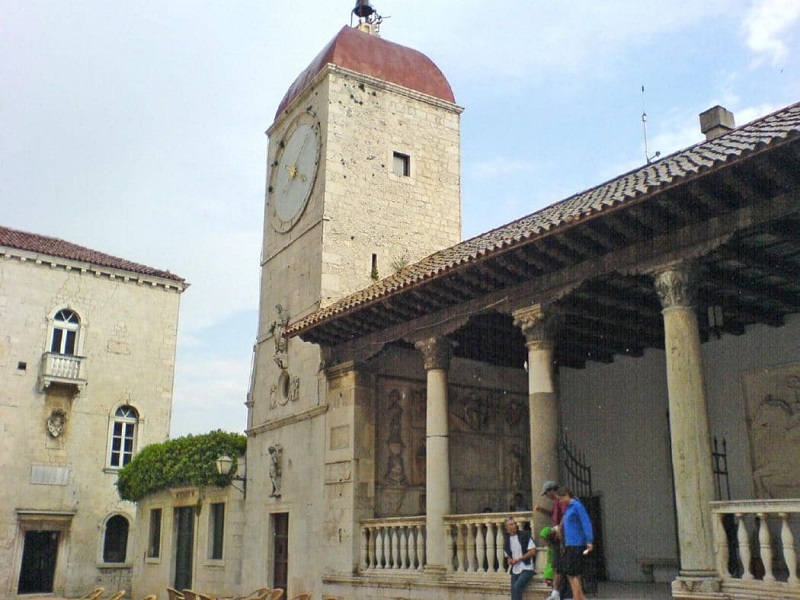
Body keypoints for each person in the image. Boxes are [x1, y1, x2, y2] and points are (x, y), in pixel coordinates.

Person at [557, 487, 594, 600]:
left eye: (561, 498)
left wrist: (589, 540)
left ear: (566, 495)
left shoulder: (577, 506)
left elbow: (586, 522)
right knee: (569, 572)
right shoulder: (569, 508)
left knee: (574, 573)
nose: (560, 501)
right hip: (570, 543)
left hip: (577, 543)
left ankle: (576, 597)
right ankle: (580, 596)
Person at [534, 481, 566, 600]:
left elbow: (565, 515)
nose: (547, 496)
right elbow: (553, 515)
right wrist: (542, 510)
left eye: (546, 493)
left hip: (561, 535)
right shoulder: (556, 503)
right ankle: (555, 592)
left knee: (559, 565)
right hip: (557, 535)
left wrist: (559, 529)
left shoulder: (561, 500)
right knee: (556, 565)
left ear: (551, 490)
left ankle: (557, 592)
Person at [503, 517, 536, 600]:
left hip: (527, 567)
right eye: (511, 524)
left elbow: (532, 551)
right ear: (507, 528)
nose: (514, 525)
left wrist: (519, 559)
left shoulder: (525, 535)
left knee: (517, 586)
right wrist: (510, 561)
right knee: (513, 591)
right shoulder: (506, 540)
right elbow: (508, 557)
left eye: (514, 523)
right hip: (515, 569)